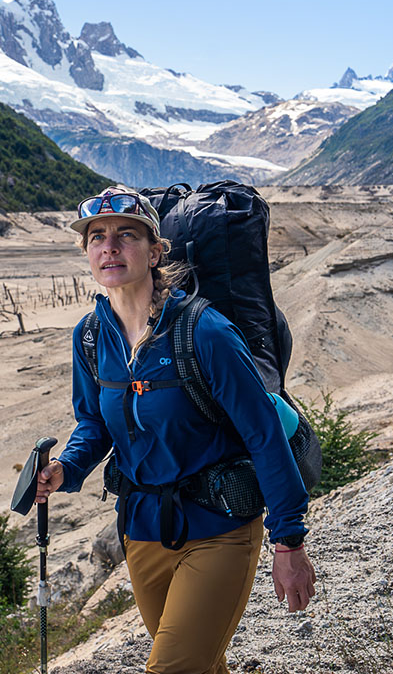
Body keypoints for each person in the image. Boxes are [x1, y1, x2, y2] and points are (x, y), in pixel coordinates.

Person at [35, 185, 315, 673]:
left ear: (155, 249)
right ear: (86, 252)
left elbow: (264, 435)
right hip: (143, 530)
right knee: (202, 665)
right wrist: (67, 467)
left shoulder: (205, 331)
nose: (110, 247)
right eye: (96, 237)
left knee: (172, 669)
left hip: (220, 525)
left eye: (127, 235)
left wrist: (288, 541)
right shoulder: (90, 336)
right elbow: (95, 422)